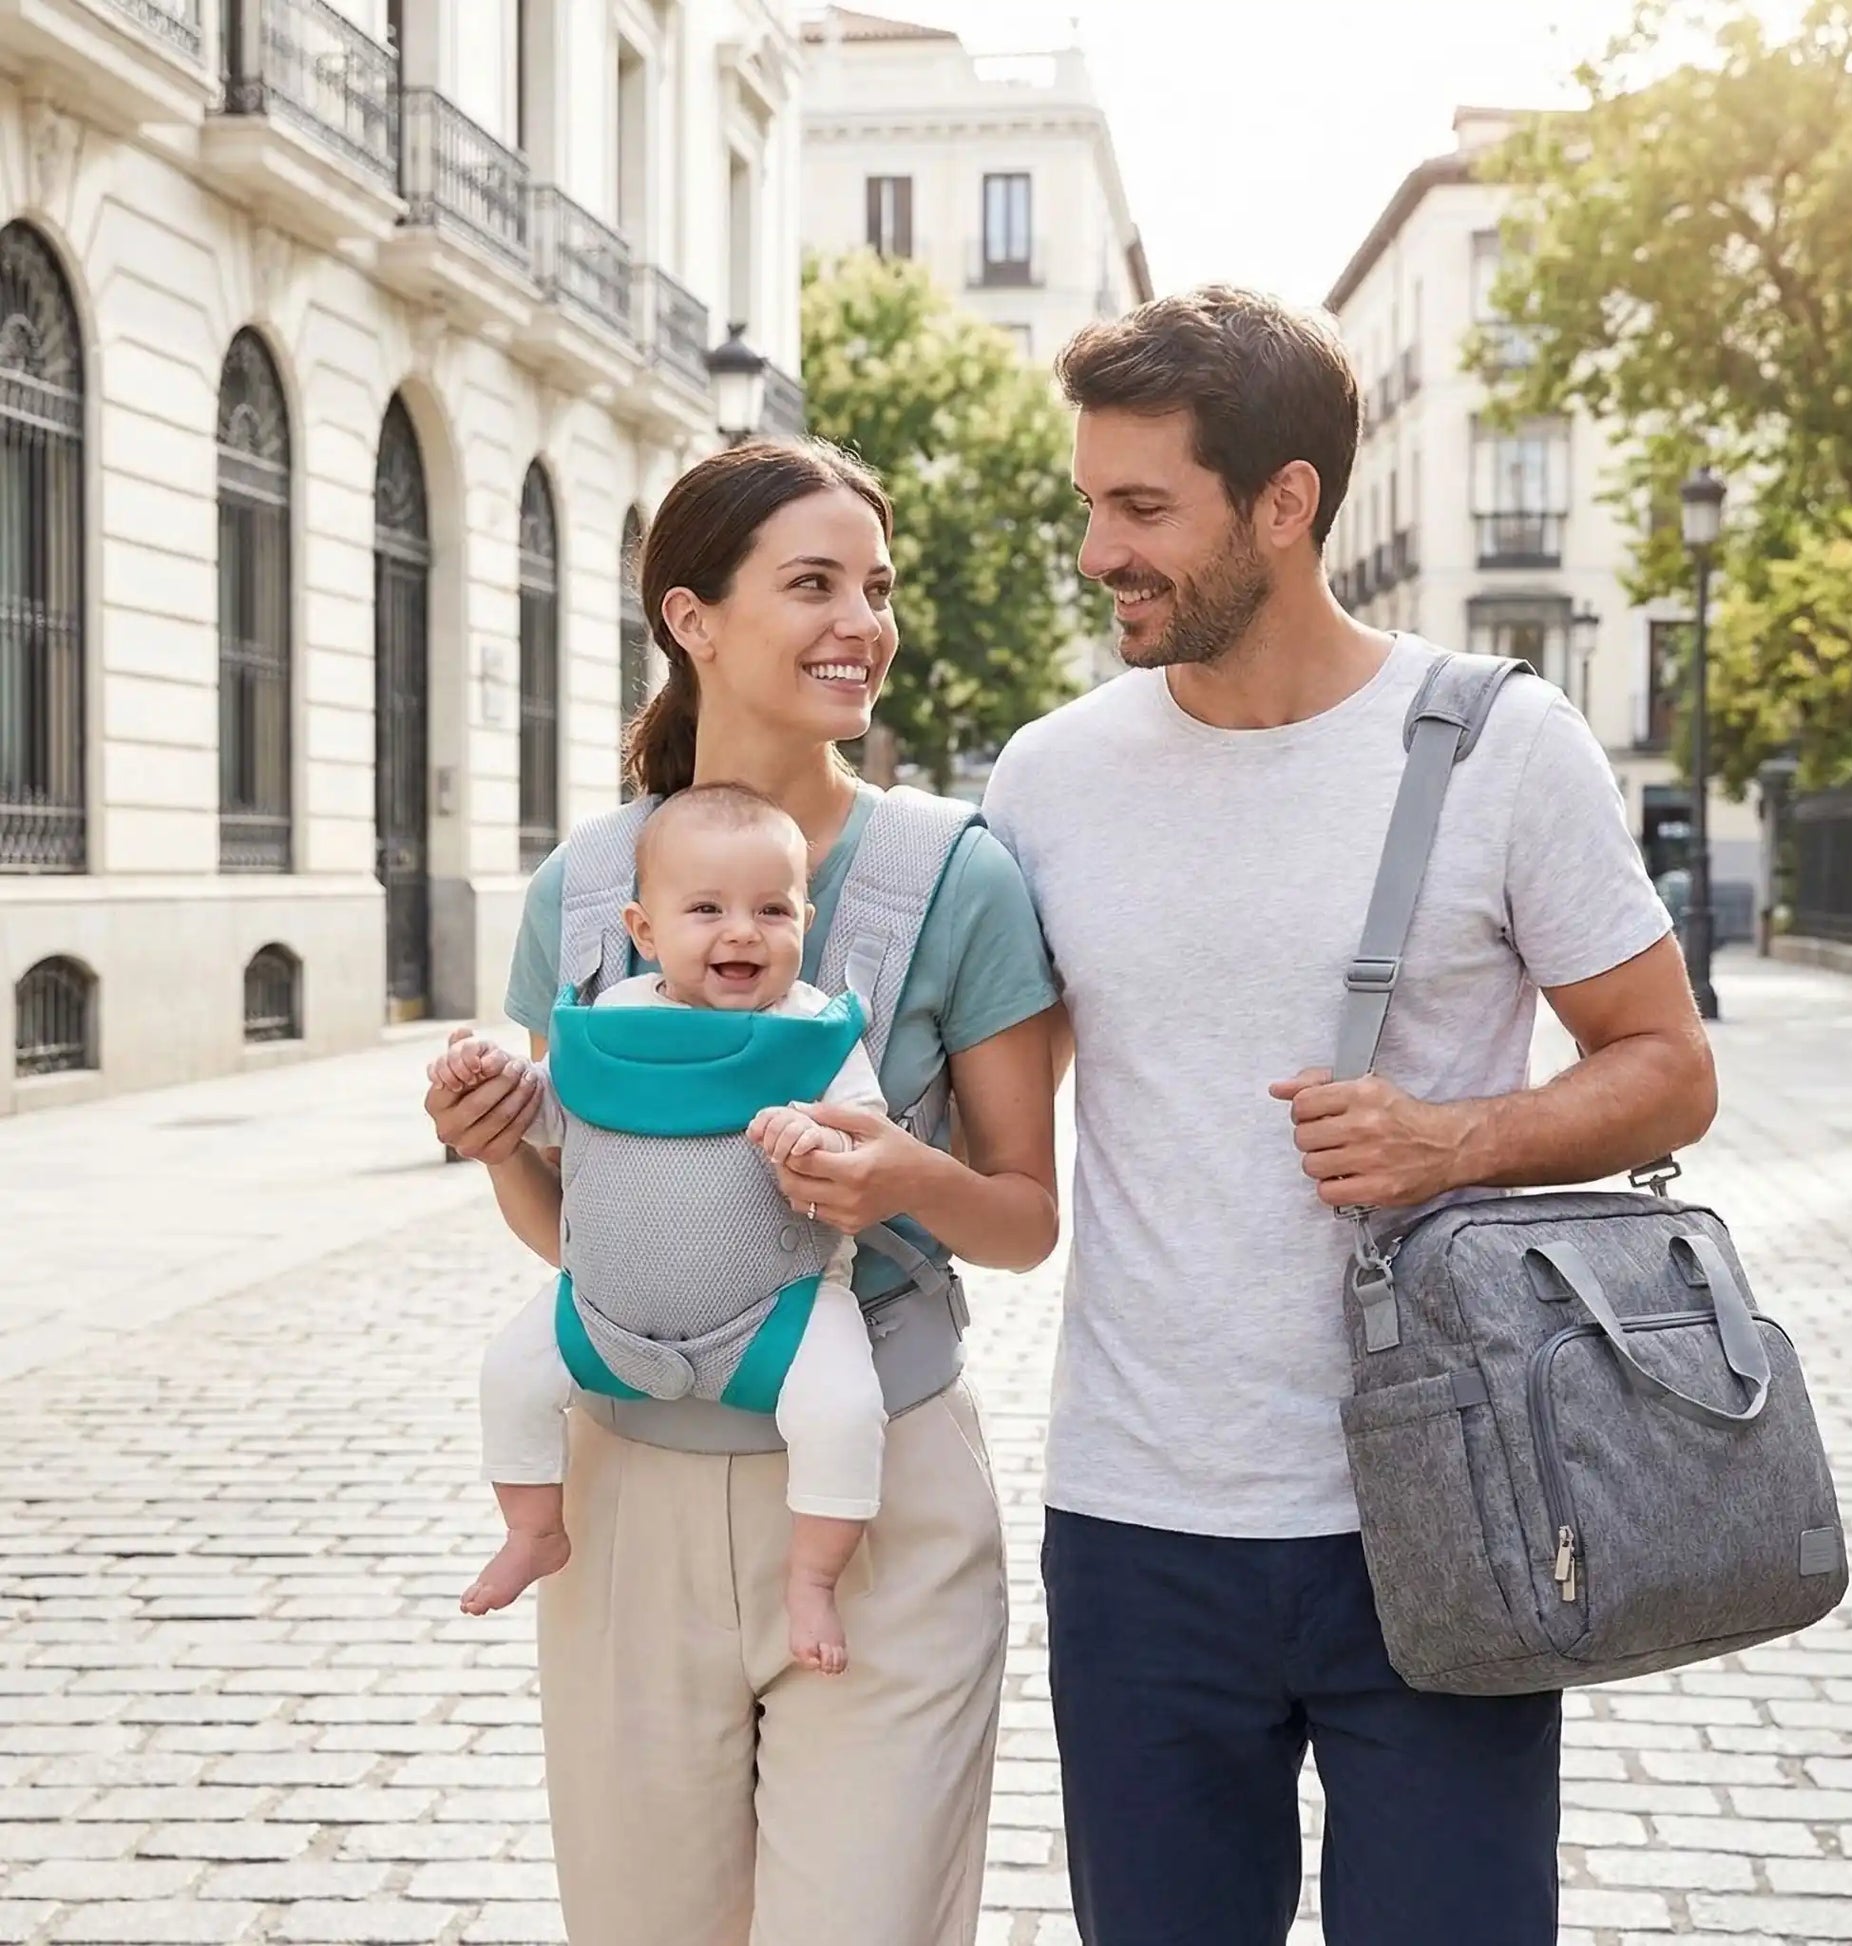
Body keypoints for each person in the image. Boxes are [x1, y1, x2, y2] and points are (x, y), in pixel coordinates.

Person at [980, 286, 1719, 1946]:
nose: (1100, 548)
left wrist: (1457, 1141)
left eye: (1144, 508)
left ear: (1285, 503)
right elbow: (984, 1143)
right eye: (1092, 503)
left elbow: (1669, 1062)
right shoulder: (1045, 778)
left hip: (1448, 1505)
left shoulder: (1500, 749)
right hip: (1139, 1525)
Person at [426, 439, 1060, 1946]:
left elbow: (1026, 1216)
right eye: (814, 585)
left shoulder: (954, 878)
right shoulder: (586, 891)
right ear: (691, 617)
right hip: (621, 1498)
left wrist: (904, 1178)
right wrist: (502, 1136)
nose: (865, 622)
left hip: (877, 1482)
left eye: (878, 588)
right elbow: (566, 1229)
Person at [433, 783, 892, 1676]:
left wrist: (819, 1133)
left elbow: (866, 1136)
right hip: (598, 1311)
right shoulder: (608, 1025)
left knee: (843, 1410)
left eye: (771, 910)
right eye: (707, 909)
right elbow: (547, 1115)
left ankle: (812, 1577)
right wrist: (487, 1076)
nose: (742, 932)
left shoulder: (817, 1032)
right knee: (510, 1375)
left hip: (782, 1312)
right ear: (644, 931)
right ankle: (534, 1529)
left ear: (806, 918)